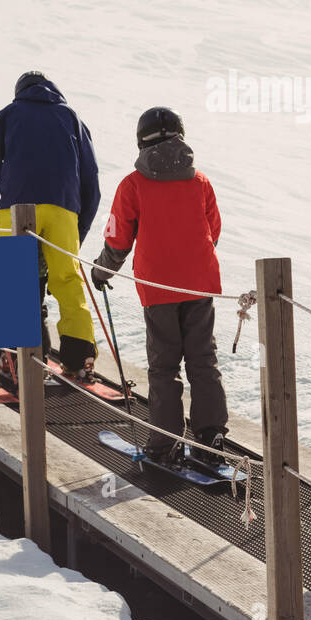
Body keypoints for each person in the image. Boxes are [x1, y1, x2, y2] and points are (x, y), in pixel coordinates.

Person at [91, 107, 228, 468]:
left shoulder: (133, 185)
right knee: (203, 359)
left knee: (164, 365)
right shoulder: (200, 181)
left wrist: (102, 272)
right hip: (199, 284)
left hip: (158, 287)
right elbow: (212, 230)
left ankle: (165, 442)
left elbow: (118, 239)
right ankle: (210, 434)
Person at [0, 71, 101, 376]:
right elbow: (91, 183)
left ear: (20, 92)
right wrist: (77, 231)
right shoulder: (73, 119)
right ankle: (80, 360)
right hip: (63, 212)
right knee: (67, 282)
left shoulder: (8, 115)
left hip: (16, 207)